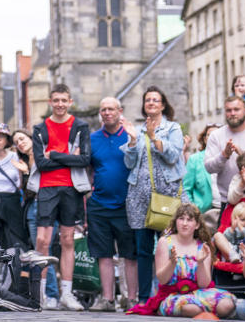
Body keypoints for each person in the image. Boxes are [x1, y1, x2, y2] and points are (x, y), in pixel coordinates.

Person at [122, 85, 186, 303]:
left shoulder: (173, 128)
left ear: (163, 105)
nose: (151, 103)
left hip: (166, 196)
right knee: (143, 250)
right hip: (139, 197)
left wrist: (154, 137)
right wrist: (132, 140)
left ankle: (166, 296)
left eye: (155, 100)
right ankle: (144, 298)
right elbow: (129, 163)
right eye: (147, 100)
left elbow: (173, 156)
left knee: (167, 247)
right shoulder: (137, 130)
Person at [32, 84, 90, 311]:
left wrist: (54, 154)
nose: (60, 104)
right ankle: (43, 294)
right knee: (42, 241)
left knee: (67, 240)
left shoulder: (80, 126)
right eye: (56, 100)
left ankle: (66, 293)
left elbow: (85, 159)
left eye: (64, 100)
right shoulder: (39, 128)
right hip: (47, 187)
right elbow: (40, 163)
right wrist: (68, 157)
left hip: (71, 187)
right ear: (50, 102)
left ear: (70, 102)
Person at [129, 203, 235, 318]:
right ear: (176, 222)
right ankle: (208, 314)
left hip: (198, 292)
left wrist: (200, 263)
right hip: (172, 294)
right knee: (192, 308)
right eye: (181, 219)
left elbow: (204, 284)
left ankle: (208, 314)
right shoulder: (165, 242)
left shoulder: (203, 247)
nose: (184, 223)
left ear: (197, 225)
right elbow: (162, 280)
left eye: (189, 220)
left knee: (226, 305)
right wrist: (172, 263)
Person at [87, 96, 137, 312]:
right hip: (98, 204)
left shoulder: (131, 136)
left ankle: (131, 298)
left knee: (130, 254)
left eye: (111, 109)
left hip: (127, 203)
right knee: (103, 253)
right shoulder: (93, 138)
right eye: (103, 110)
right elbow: (87, 169)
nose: (107, 113)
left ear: (120, 111)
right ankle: (107, 299)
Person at [183, 124, 220, 214]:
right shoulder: (194, 159)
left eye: (217, 134)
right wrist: (192, 209)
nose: (213, 137)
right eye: (209, 134)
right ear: (204, 139)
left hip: (226, 209)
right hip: (202, 212)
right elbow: (186, 188)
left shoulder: (229, 158)